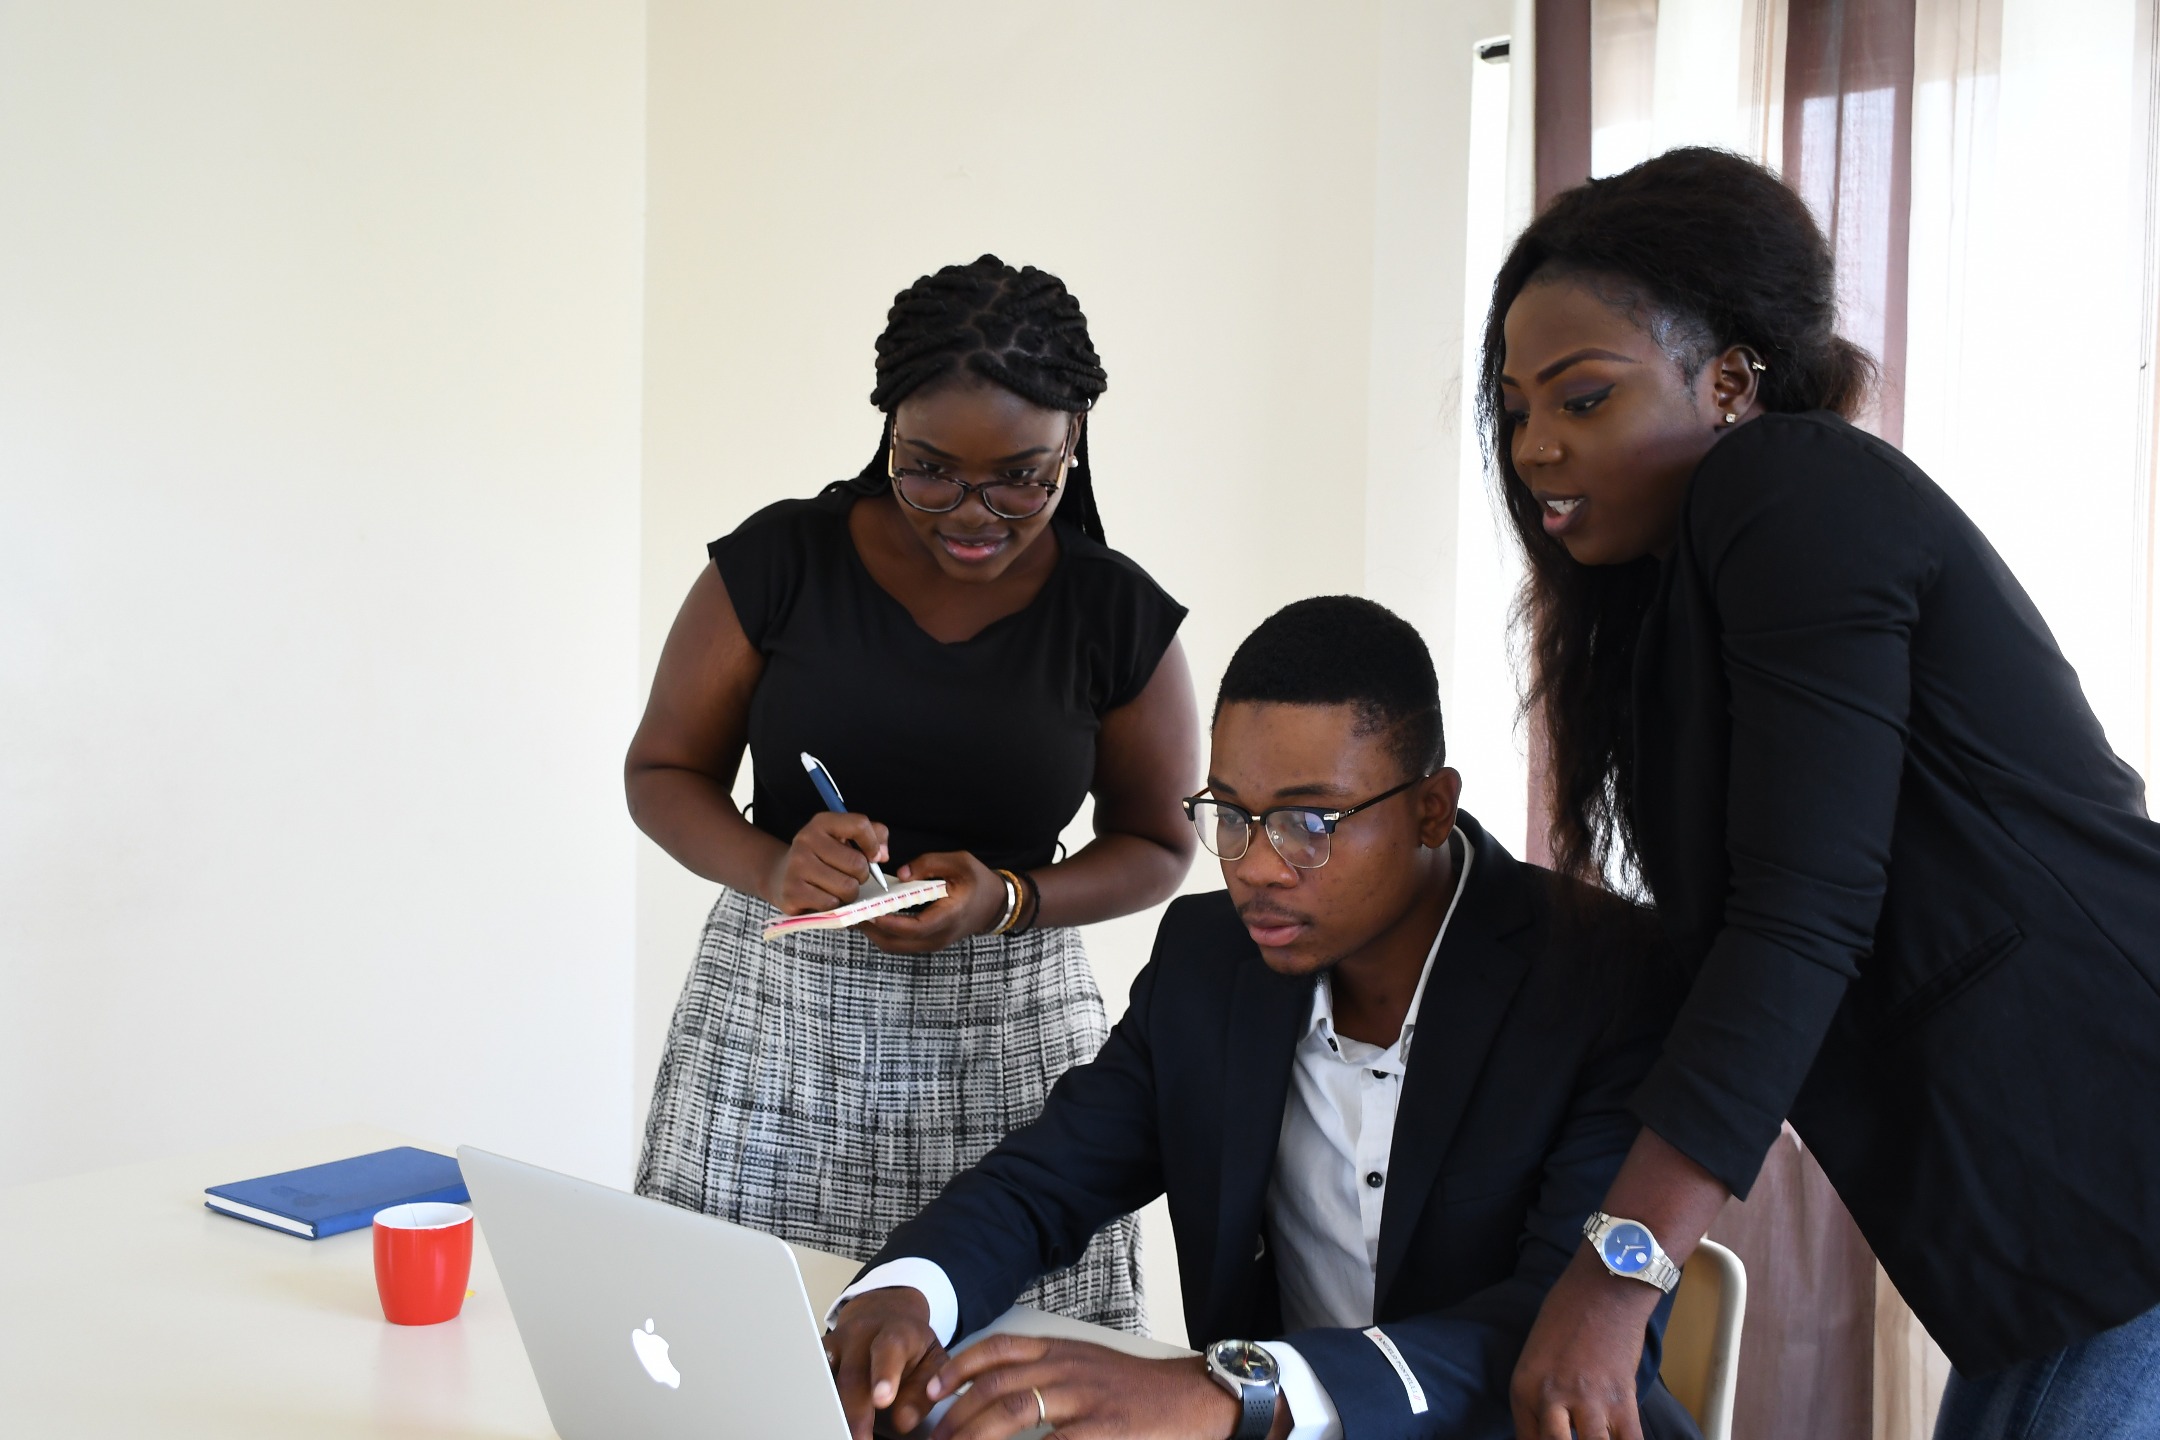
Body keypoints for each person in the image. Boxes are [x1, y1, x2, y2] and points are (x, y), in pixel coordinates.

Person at [1485, 148, 2160, 1440]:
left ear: (1732, 382)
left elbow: (1801, 913)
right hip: (2045, 1218)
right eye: (1515, 410)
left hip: (2118, 1150)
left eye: (1584, 396)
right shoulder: (1688, 598)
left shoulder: (1788, 484)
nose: (1536, 448)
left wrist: (1620, 1273)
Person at [822, 597, 1700, 1440]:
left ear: (1430, 809)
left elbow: (1559, 1329)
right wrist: (907, 1292)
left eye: (1308, 822)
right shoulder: (1208, 961)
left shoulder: (1600, 977)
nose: (1255, 867)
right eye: (1231, 816)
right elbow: (1045, 1182)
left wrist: (1234, 1391)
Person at [624, 255, 1199, 1333]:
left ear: (1073, 442)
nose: (972, 514)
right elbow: (660, 772)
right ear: (889, 430)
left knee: (1007, 1363)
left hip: (1010, 1042)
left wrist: (1009, 898)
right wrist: (775, 864)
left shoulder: (1115, 616)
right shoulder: (780, 564)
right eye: (928, 471)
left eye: (1021, 479)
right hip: (776, 1026)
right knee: (736, 1349)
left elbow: (1160, 844)